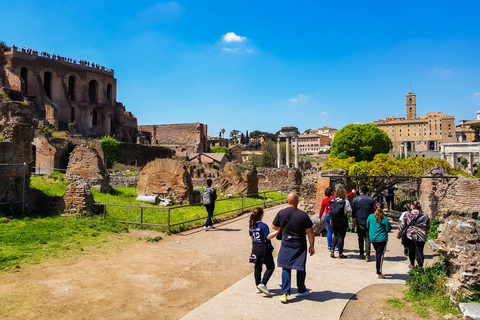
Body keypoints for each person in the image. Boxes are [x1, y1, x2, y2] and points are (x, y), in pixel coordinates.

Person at [272, 192, 315, 303]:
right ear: (296, 201)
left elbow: (274, 226)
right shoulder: (303, 215)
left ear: (287, 201)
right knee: (300, 266)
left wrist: (282, 227)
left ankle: (284, 294)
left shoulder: (281, 213)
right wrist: (312, 246)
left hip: (286, 241)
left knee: (286, 267)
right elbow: (310, 232)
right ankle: (301, 290)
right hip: (299, 242)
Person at [249, 207, 276, 296]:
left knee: (257, 267)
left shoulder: (251, 226)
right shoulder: (263, 225)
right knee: (270, 266)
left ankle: (257, 286)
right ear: (261, 215)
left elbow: (252, 238)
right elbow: (268, 236)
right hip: (263, 247)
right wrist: (278, 231)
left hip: (255, 247)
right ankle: (262, 284)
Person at [397, 201, 430, 268]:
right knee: (420, 251)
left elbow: (403, 224)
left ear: (412, 206)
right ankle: (420, 267)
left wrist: (398, 232)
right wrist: (426, 232)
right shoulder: (424, 215)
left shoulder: (407, 214)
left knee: (411, 250)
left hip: (410, 234)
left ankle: (412, 264)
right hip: (421, 234)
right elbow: (428, 225)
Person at [367, 203, 392, 278]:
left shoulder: (370, 216)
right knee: (380, 255)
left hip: (373, 238)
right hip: (382, 238)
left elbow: (367, 225)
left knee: (377, 253)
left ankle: (378, 270)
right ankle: (378, 271)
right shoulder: (384, 218)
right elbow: (388, 229)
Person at [352, 185, 375, 262]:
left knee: (360, 238)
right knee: (368, 239)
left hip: (359, 221)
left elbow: (353, 212)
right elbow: (373, 212)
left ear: (360, 190)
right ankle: (368, 255)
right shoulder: (371, 200)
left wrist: (353, 221)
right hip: (368, 221)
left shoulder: (356, 200)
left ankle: (361, 253)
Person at [329, 186, 352, 259]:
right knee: (341, 236)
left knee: (335, 235)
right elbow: (350, 210)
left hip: (334, 220)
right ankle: (340, 253)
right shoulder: (345, 201)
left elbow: (330, 211)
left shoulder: (333, 201)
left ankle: (332, 250)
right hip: (342, 220)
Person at [319, 187, 335, 252]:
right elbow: (345, 197)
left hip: (327, 215)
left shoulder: (324, 200)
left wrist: (319, 217)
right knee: (336, 232)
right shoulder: (334, 199)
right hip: (334, 216)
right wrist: (352, 193)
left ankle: (329, 246)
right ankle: (336, 246)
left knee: (329, 231)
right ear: (332, 193)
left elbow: (322, 209)